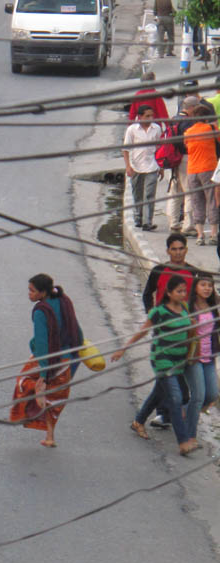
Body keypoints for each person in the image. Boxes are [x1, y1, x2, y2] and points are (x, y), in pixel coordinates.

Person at [111, 275, 197, 455]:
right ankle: (183, 441)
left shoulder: (185, 308)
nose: (182, 294)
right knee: (175, 398)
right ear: (169, 292)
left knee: (159, 393)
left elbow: (190, 332)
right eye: (179, 291)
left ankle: (138, 421)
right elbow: (142, 332)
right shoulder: (159, 312)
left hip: (179, 361)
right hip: (162, 359)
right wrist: (123, 349)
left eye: (184, 291)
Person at [9, 275, 83, 448]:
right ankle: (50, 436)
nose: (29, 294)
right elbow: (76, 329)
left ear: (42, 292)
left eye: (32, 291)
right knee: (55, 397)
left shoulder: (41, 311)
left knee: (24, 381)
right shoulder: (64, 300)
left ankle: (28, 410)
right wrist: (76, 358)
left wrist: (43, 376)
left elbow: (42, 343)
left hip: (51, 358)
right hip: (69, 356)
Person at [139, 233, 199, 430]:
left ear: (186, 250)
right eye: (174, 249)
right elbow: (147, 294)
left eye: (181, 248)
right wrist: (151, 316)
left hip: (187, 330)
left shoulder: (194, 273)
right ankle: (164, 413)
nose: (178, 252)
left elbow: (201, 299)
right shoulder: (158, 270)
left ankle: (157, 413)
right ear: (167, 251)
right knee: (165, 369)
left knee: (178, 368)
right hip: (163, 329)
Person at [185, 272, 219, 441]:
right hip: (193, 357)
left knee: (212, 394)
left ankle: (185, 411)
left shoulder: (213, 306)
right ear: (196, 287)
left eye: (210, 286)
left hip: (209, 356)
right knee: (198, 396)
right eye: (203, 285)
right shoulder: (188, 307)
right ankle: (189, 436)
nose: (207, 289)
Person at [182, 104, 219, 245]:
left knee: (197, 201)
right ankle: (214, 234)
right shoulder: (211, 129)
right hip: (208, 168)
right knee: (212, 200)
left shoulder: (188, 132)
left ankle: (200, 235)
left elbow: (186, 146)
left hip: (192, 170)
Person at [123, 105, 164, 231]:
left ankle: (148, 222)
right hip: (136, 167)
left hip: (152, 166)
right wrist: (128, 166)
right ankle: (138, 216)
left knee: (150, 195)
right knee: (138, 193)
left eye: (152, 115)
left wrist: (161, 166)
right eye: (147, 116)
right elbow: (126, 149)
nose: (150, 118)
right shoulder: (132, 130)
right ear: (140, 117)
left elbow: (160, 148)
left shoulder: (156, 129)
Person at [168, 96, 200, 234]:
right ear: (191, 108)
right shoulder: (189, 123)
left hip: (174, 158)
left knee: (176, 191)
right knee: (189, 191)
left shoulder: (174, 119)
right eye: (197, 107)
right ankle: (188, 225)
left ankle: (174, 222)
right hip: (186, 158)